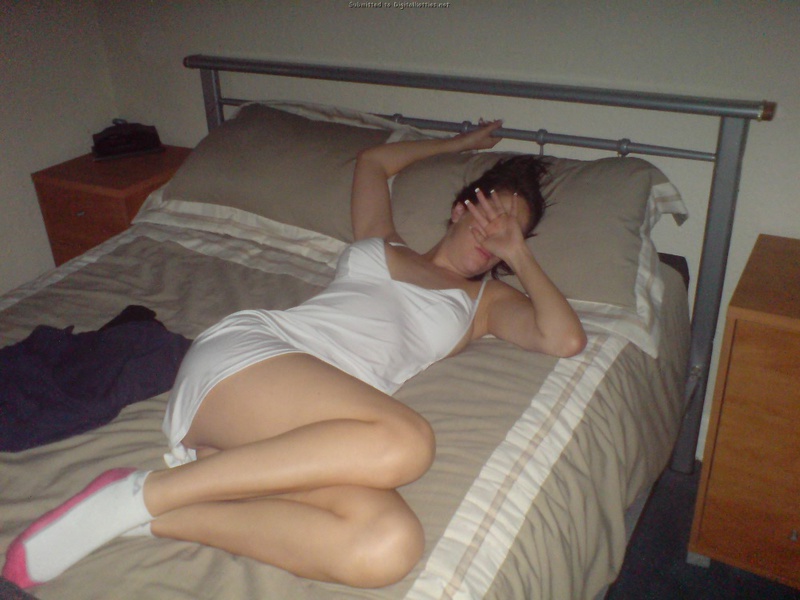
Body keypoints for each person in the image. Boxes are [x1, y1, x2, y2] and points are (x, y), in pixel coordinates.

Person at [2, 121, 586, 590]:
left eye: (512, 231)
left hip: (299, 431)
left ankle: (151, 513)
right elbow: (373, 163)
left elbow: (566, 340)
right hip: (253, 359)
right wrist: (459, 145)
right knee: (407, 442)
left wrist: (521, 257)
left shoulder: (485, 304)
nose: (496, 234)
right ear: (462, 208)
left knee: (388, 545)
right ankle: (141, 495)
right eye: (491, 214)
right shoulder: (381, 240)